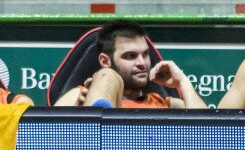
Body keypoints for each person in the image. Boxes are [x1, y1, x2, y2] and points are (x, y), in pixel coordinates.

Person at [55, 20, 207, 108]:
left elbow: (209, 132)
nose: (142, 63)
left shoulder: (165, 105)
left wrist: (183, 82)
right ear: (105, 61)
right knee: (105, 77)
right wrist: (78, 115)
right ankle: (95, 120)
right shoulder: (80, 96)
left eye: (145, 54)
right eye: (130, 56)